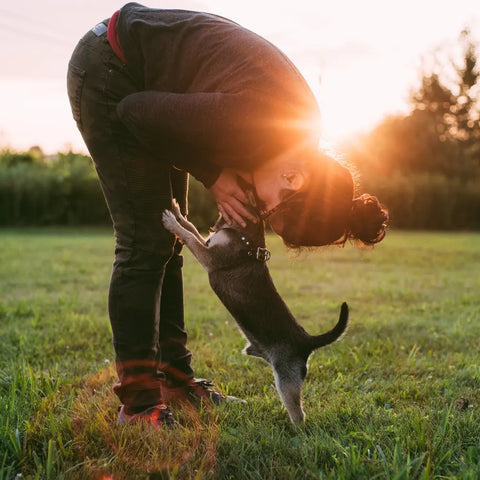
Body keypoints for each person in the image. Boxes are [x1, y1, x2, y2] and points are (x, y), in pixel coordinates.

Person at [67, 2, 388, 427]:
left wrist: (217, 170)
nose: (256, 207)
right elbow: (134, 111)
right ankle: (140, 408)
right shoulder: (257, 121)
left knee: (167, 244)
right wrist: (212, 174)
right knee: (145, 241)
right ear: (294, 178)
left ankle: (176, 383)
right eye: (268, 206)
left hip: (146, 80)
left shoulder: (295, 134)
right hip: (111, 69)